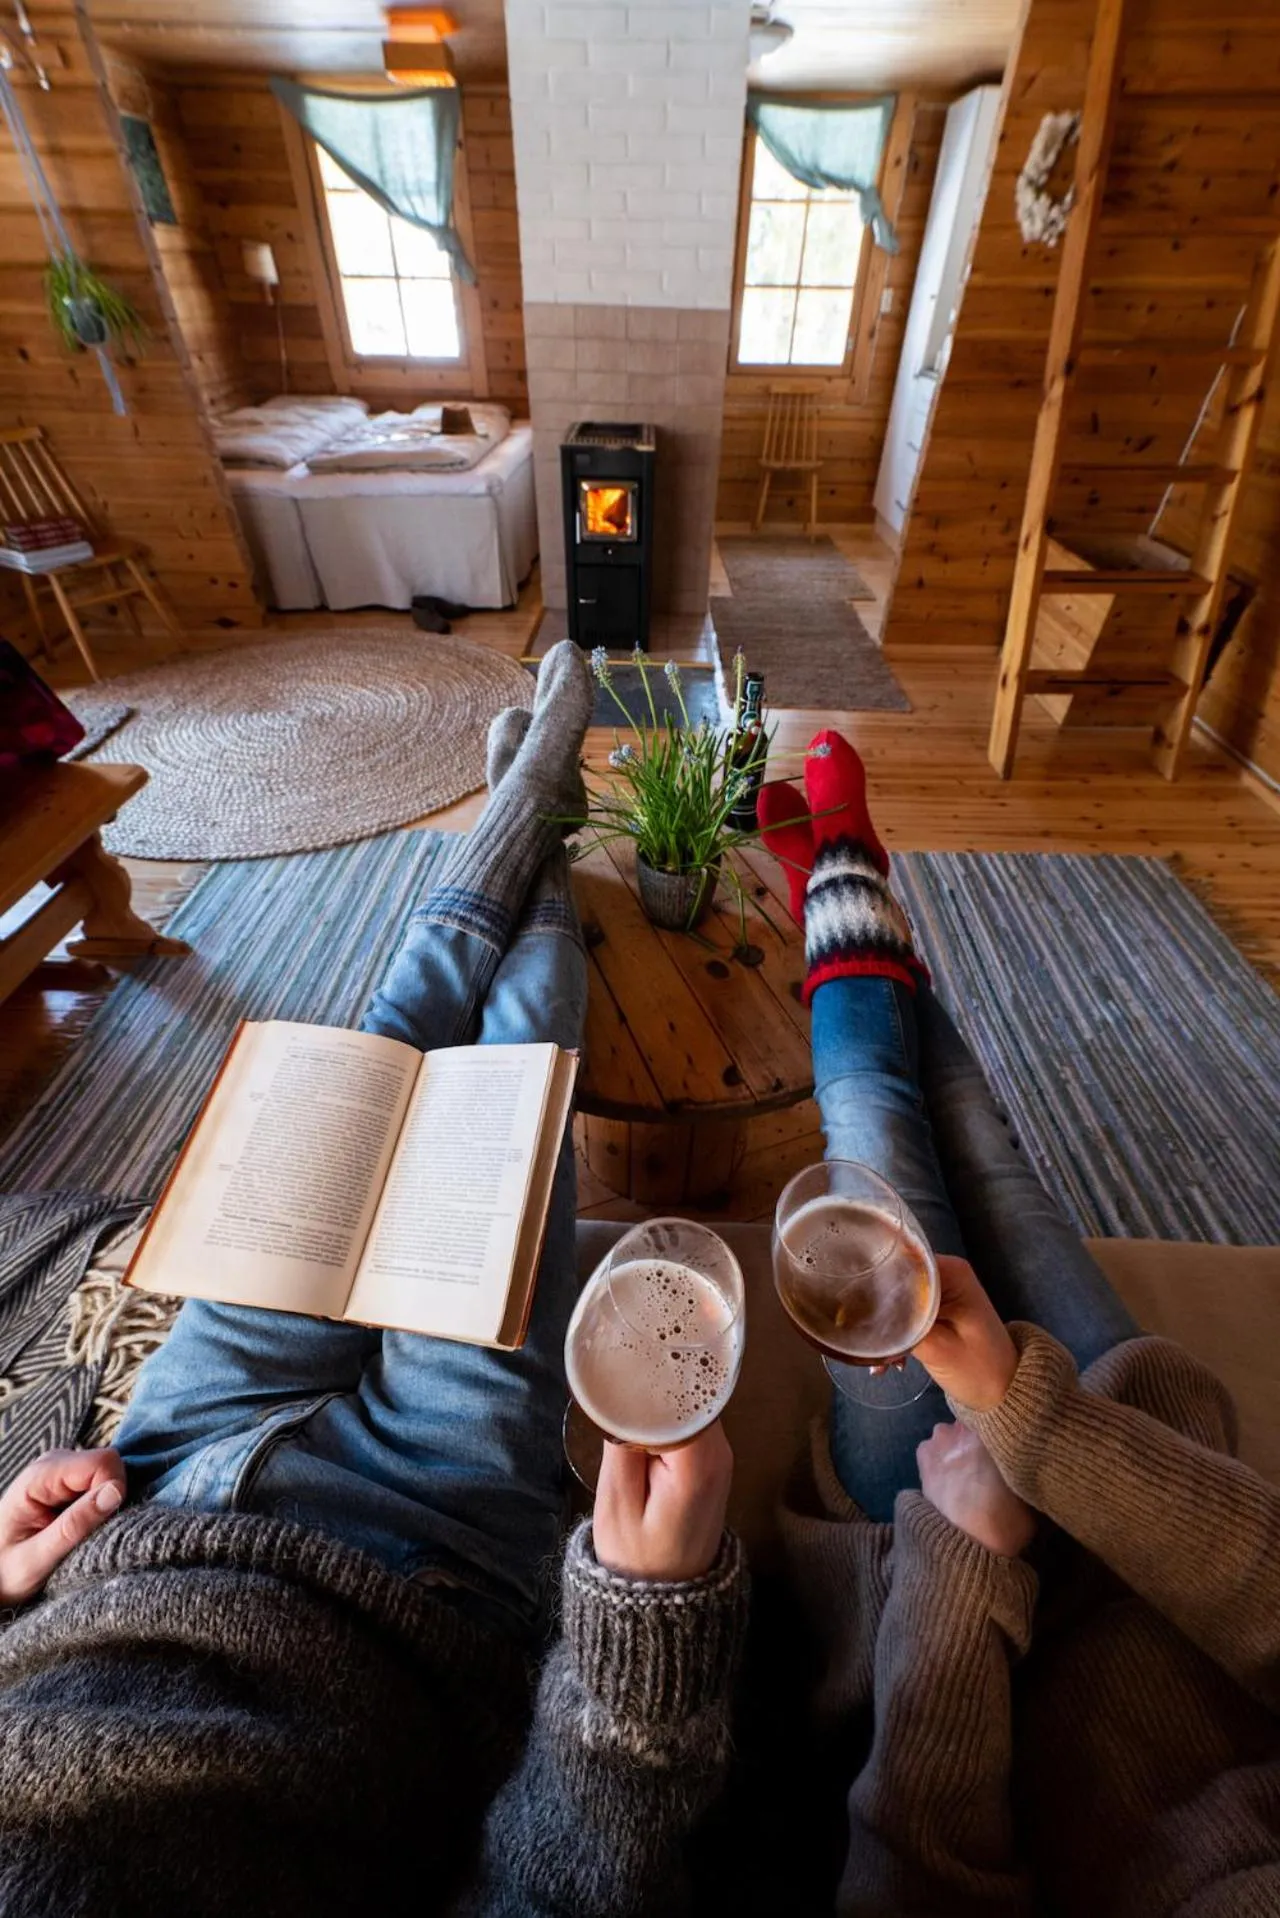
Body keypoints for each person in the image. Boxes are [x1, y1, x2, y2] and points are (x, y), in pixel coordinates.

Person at [0, 642, 749, 1918]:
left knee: (367, 1056)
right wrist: (642, 1637)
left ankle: (529, 798)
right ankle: (541, 820)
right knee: (509, 1084)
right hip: (425, 1556)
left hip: (162, 1479)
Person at [755, 730, 1280, 1916]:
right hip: (1144, 1478)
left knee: (873, 1138)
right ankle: (842, 885)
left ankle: (835, 885)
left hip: (955, 1588)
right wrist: (1026, 1412)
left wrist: (961, 1559)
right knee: (988, 1147)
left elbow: (909, 1868)